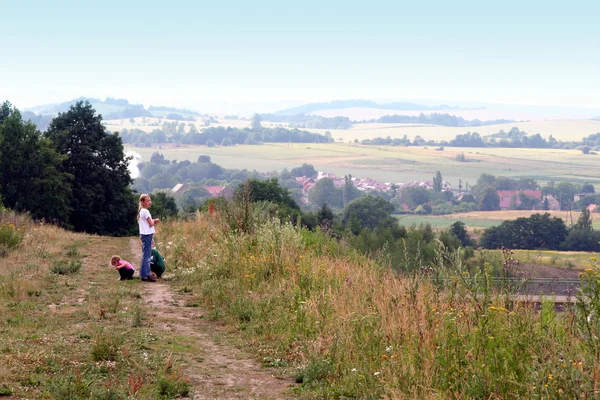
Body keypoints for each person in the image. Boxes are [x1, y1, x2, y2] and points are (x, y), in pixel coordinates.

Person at [138, 194, 160, 282]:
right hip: (147, 235)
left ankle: (143, 274)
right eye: (148, 201)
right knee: (147, 256)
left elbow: (147, 222)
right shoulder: (146, 212)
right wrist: (155, 221)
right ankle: (146, 275)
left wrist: (152, 220)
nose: (150, 202)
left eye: (150, 200)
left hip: (143, 234)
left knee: (145, 254)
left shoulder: (141, 211)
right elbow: (150, 224)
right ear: (143, 202)